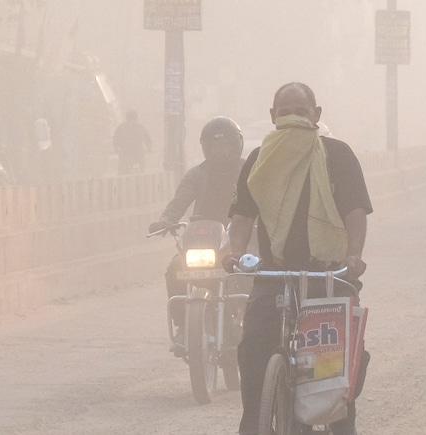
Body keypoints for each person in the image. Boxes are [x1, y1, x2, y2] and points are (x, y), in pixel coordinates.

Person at [223, 82, 372, 435]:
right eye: (285, 112)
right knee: (253, 347)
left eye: (300, 112)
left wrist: (354, 255)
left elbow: (355, 212)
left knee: (340, 364)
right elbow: (242, 216)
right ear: (272, 116)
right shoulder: (258, 161)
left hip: (329, 274)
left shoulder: (338, 155)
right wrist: (236, 251)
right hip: (275, 273)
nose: (292, 119)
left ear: (316, 115)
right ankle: (253, 425)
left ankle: (341, 426)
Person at [148, 116, 246, 352]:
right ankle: (183, 325)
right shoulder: (196, 174)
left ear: (235, 145)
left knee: (253, 272)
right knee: (174, 270)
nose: (220, 151)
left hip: (239, 238)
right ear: (206, 147)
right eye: (214, 146)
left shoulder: (248, 171)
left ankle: (249, 324)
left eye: (225, 145)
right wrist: (166, 220)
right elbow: (179, 201)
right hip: (204, 239)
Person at [113, 110, 152, 175]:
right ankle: (141, 175)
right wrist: (149, 148)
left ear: (126, 117)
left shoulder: (121, 127)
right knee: (142, 164)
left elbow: (115, 139)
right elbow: (148, 139)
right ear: (136, 118)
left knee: (121, 168)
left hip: (124, 154)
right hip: (138, 154)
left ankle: (121, 177)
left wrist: (115, 148)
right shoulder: (140, 127)